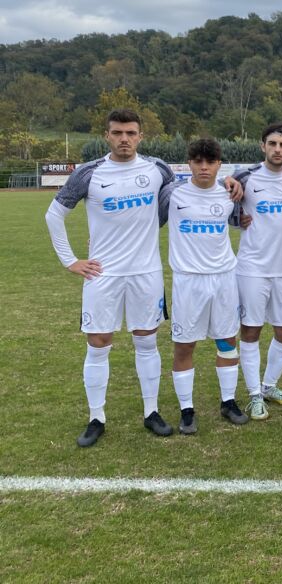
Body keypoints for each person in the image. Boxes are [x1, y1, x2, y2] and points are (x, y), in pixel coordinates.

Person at [45, 108, 176, 447]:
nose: (124, 139)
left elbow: (174, 207)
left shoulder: (157, 169)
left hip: (145, 273)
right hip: (103, 275)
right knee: (99, 343)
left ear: (140, 136)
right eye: (117, 133)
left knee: (146, 340)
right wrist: (71, 261)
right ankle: (96, 417)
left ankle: (152, 412)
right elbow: (54, 215)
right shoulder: (90, 173)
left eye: (131, 133)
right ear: (107, 135)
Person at [160, 138, 248, 433]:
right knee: (184, 346)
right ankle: (187, 410)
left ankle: (228, 402)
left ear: (219, 164)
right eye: (198, 162)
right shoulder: (172, 194)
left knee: (227, 341)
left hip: (224, 278)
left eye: (210, 162)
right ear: (189, 164)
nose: (204, 167)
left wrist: (232, 182)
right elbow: (140, 221)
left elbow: (242, 216)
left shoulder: (229, 193)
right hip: (188, 281)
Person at [227, 124, 282, 421]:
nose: (277, 149)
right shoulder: (246, 176)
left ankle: (269, 385)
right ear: (262, 146)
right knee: (251, 331)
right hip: (252, 268)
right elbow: (227, 210)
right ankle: (254, 395)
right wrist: (237, 217)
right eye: (272, 143)